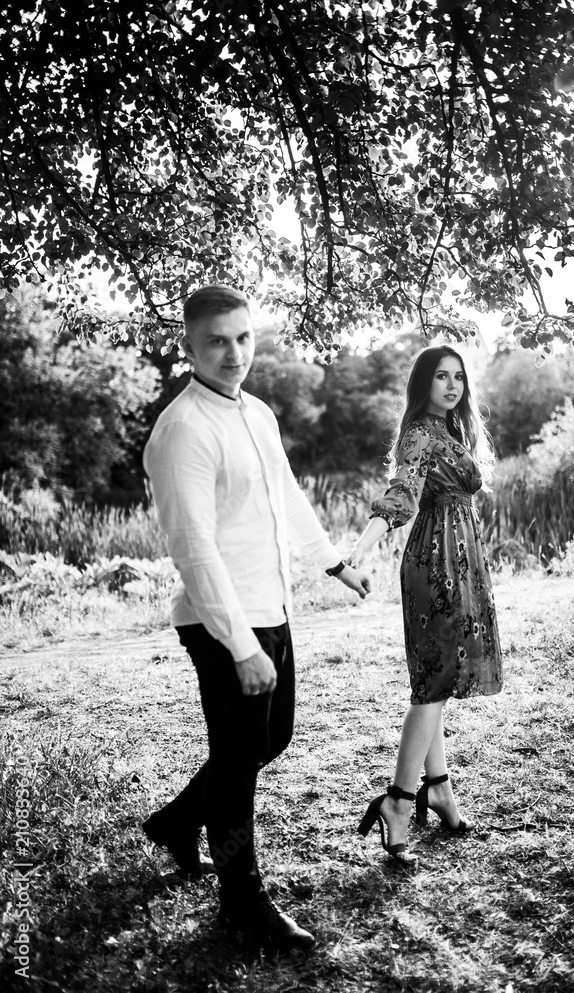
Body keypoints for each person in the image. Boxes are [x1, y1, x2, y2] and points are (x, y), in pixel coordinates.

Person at [142, 283, 370, 952]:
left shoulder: (257, 412)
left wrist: (332, 563)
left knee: (269, 739)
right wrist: (241, 646)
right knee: (239, 760)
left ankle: (175, 823)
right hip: (222, 621)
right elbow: (193, 549)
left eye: (243, 337)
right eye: (216, 341)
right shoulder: (183, 430)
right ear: (188, 347)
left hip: (272, 605)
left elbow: (286, 495)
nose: (234, 352)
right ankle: (242, 900)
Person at [351, 345, 502, 864]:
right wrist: (358, 551)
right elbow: (401, 495)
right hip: (436, 566)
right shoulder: (420, 432)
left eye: (458, 376)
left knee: (435, 682)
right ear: (424, 383)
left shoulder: (449, 430)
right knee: (433, 685)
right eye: (441, 376)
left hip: (460, 561)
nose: (452, 385)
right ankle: (397, 801)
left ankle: (438, 790)